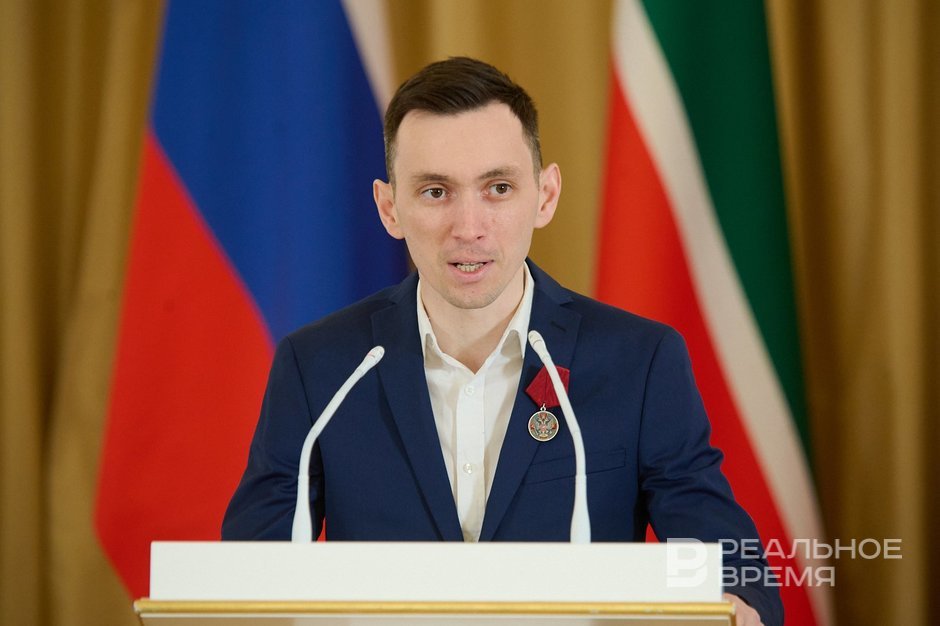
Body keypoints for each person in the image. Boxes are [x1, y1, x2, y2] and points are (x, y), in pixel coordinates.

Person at [222, 56, 781, 626]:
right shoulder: (322, 367)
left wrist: (736, 605)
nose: (469, 227)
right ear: (390, 209)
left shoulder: (639, 361)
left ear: (545, 195)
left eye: (498, 188)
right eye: (435, 191)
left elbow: (733, 566)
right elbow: (241, 580)